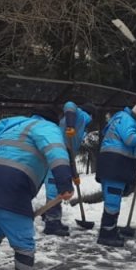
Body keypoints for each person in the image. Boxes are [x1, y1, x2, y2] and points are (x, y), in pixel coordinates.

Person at [0, 110, 74, 270]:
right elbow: (56, 151)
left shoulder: (12, 128)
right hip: (12, 186)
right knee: (24, 246)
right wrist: (65, 183)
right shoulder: (47, 128)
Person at [95, 103, 136, 246]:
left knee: (112, 198)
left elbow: (123, 145)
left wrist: (135, 163)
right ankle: (106, 234)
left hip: (112, 163)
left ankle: (110, 230)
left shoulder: (121, 118)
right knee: (113, 200)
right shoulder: (127, 120)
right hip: (115, 164)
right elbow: (130, 140)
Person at [41, 101, 91, 236]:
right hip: (55, 155)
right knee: (53, 188)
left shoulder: (79, 122)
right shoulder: (80, 115)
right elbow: (69, 104)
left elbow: (70, 154)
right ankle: (51, 223)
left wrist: (74, 175)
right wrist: (70, 125)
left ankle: (54, 219)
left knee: (55, 188)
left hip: (62, 155)